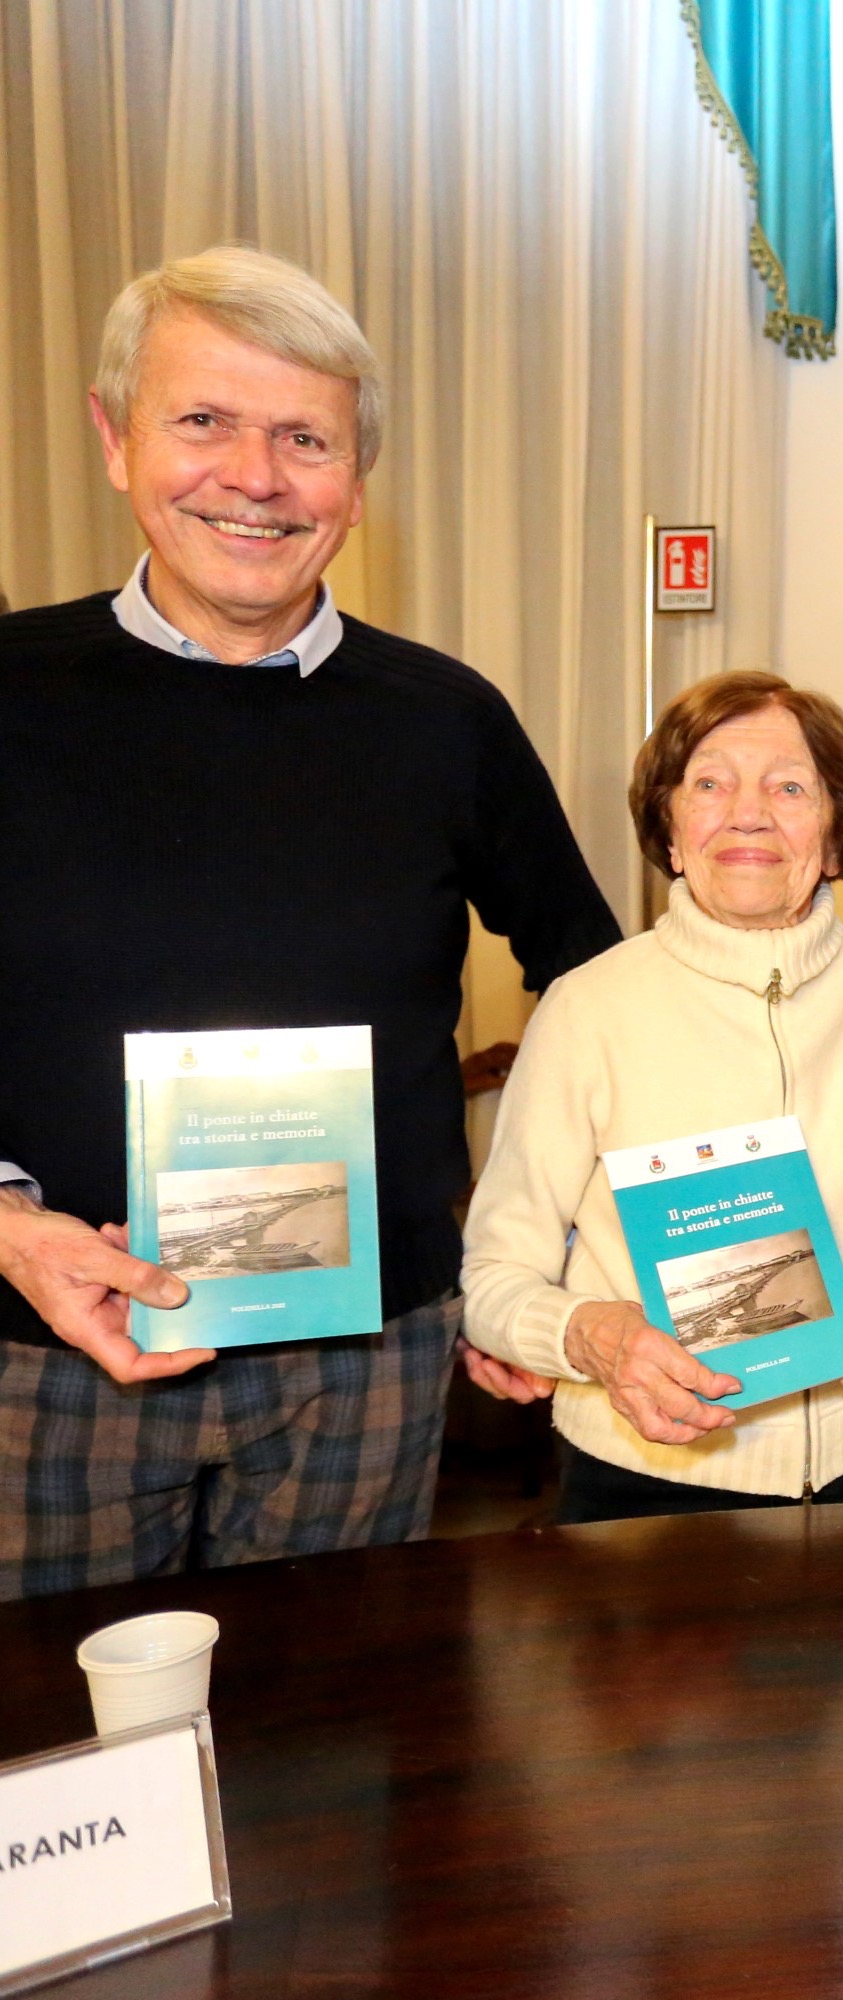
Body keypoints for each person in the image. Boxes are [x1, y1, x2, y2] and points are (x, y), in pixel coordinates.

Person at [0, 246, 619, 1599]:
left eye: (305, 438)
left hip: (367, 1366)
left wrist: (525, 1264)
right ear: (114, 438)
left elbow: (598, 993)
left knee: (336, 1767)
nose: (256, 477)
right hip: (49, 1354)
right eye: (203, 421)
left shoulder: (447, 721)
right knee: (59, 1769)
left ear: (356, 479)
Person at [461, 673, 843, 1521]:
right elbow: (495, 1278)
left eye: (789, 787)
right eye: (710, 784)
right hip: (648, 1477)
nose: (747, 813)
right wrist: (597, 1340)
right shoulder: (585, 1008)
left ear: (834, 835)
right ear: (671, 830)